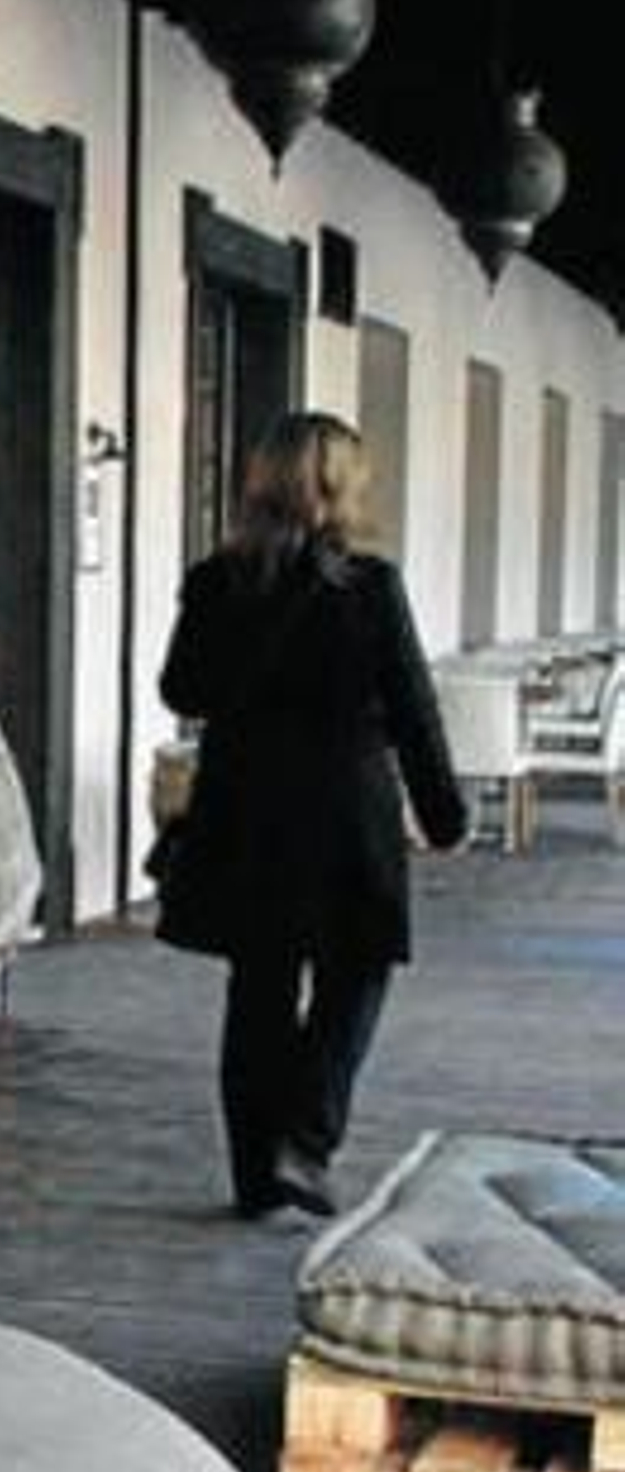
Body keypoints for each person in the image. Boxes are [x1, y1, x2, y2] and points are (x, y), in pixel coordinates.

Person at [155, 410, 467, 1219]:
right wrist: (445, 815)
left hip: (246, 811)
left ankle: (256, 1178)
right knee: (356, 973)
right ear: (341, 483)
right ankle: (306, 1138)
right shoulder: (370, 586)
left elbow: (180, 691)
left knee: (258, 986)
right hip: (346, 816)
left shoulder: (217, 579)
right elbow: (412, 708)